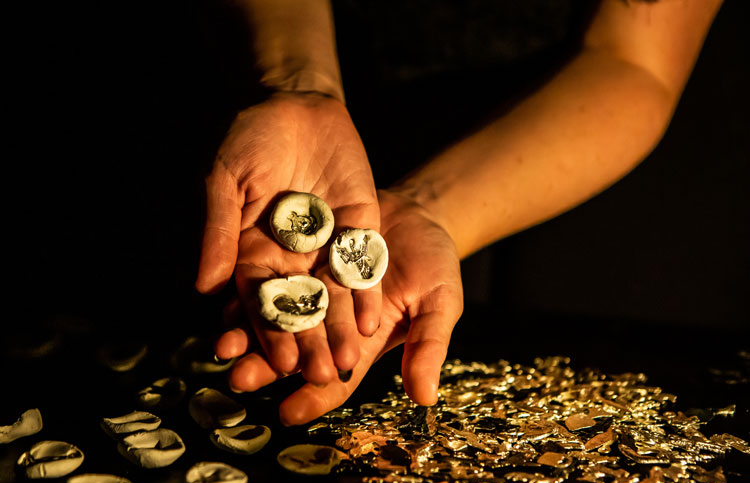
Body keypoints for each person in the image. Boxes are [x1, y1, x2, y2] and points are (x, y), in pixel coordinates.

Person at [196, 0, 723, 425]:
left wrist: (433, 209)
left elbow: (634, 60)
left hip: (540, 152)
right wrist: (301, 82)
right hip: (293, 108)